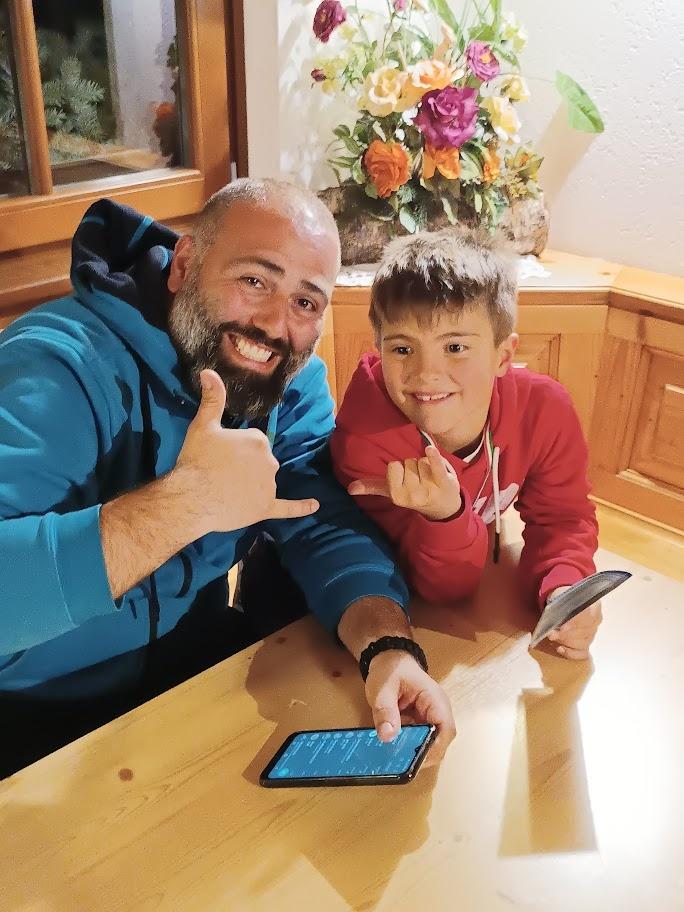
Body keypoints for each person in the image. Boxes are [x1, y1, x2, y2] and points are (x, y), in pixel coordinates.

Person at [0, 179, 455, 777]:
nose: (274, 325)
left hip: (193, 665)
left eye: (306, 302)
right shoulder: (57, 370)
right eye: (254, 281)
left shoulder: (284, 382)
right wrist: (181, 506)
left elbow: (321, 520)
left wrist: (387, 646)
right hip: (35, 707)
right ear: (184, 264)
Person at [330, 230, 601, 660]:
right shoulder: (366, 443)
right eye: (402, 349)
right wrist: (445, 515)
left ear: (503, 356)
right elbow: (442, 590)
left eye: (455, 346)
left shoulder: (545, 410)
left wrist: (565, 587)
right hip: (395, 624)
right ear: (379, 349)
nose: (426, 373)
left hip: (479, 613)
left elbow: (563, 519)